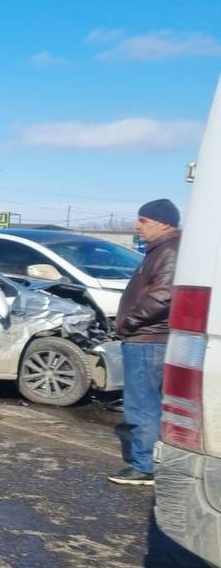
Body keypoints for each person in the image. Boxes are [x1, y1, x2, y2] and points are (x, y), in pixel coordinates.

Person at [109, 199, 180, 486]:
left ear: (163, 223)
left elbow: (163, 294)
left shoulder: (169, 252)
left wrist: (128, 321)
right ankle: (151, 459)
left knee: (142, 405)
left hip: (148, 339)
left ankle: (144, 465)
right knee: (149, 403)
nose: (137, 226)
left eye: (143, 220)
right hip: (148, 337)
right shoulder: (161, 250)